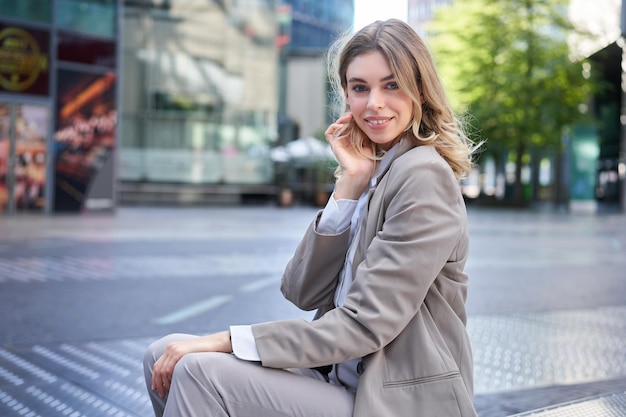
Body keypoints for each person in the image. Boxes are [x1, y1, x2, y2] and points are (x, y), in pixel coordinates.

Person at [144, 18, 480, 417]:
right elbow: (301, 290)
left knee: (199, 371)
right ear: (346, 95)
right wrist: (351, 184)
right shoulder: (376, 172)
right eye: (360, 88)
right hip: (338, 379)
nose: (373, 103)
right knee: (161, 355)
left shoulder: (422, 174)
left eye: (391, 85)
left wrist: (226, 340)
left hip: (391, 401)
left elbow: (364, 325)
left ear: (419, 90)